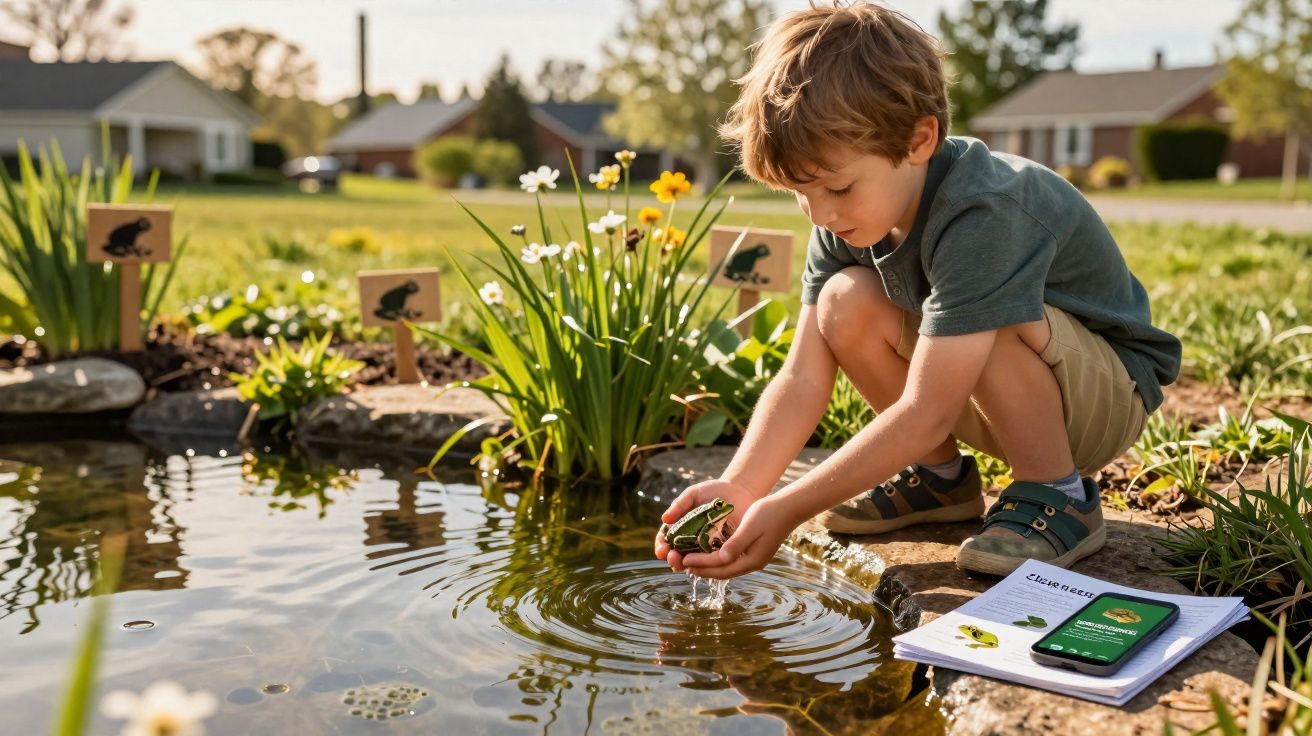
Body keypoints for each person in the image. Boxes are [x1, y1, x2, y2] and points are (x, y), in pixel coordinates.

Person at [653, 1, 1180, 579]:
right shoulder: (847, 217)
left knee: (991, 314)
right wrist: (744, 486)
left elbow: (928, 410)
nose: (820, 214)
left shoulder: (986, 211)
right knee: (843, 302)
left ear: (918, 140)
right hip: (998, 385)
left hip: (1103, 398)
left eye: (838, 187)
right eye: (801, 193)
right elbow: (803, 376)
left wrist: (790, 508)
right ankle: (940, 481)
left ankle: (1059, 495)